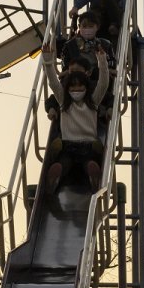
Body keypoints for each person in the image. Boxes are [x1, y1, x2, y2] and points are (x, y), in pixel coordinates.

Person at [42, 41, 109, 194]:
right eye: (73, 87)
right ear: (68, 89)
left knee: (64, 163)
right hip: (88, 146)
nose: (76, 90)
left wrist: (48, 61)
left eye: (79, 87)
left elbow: (53, 81)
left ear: (86, 87)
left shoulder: (66, 102)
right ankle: (92, 175)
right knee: (89, 163)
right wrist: (102, 61)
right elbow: (104, 83)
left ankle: (57, 176)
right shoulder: (90, 101)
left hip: (68, 146)